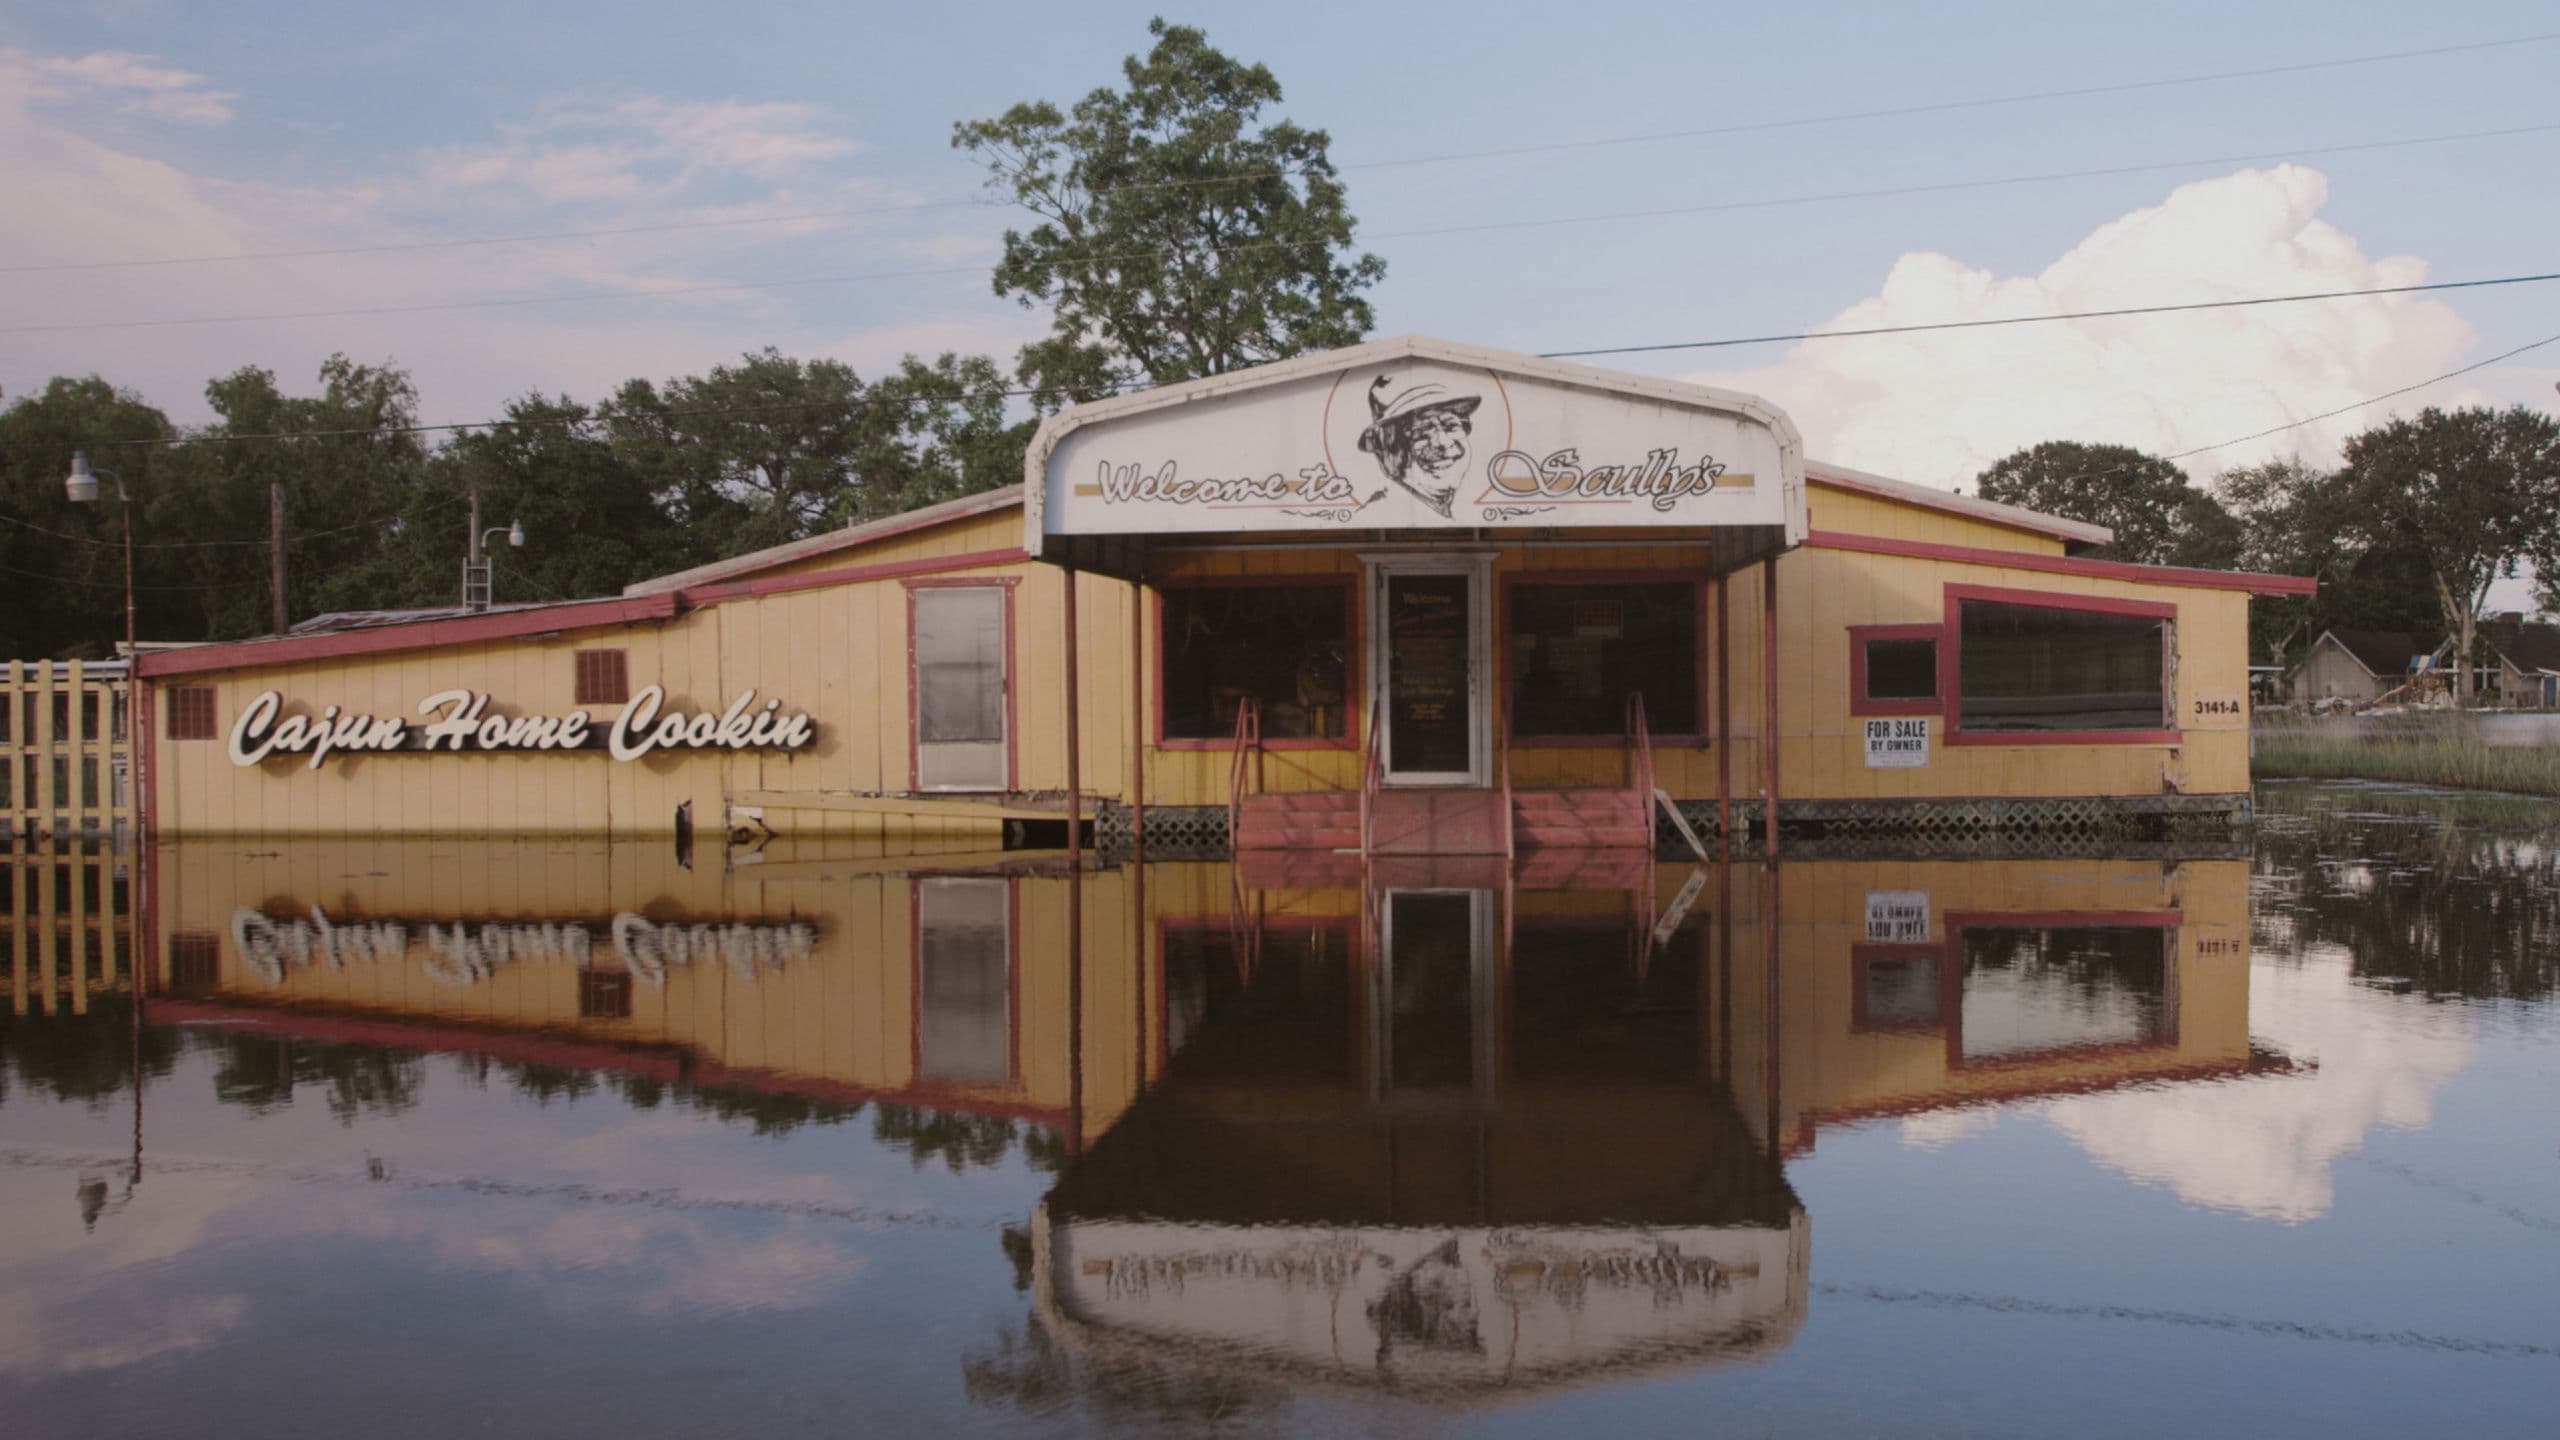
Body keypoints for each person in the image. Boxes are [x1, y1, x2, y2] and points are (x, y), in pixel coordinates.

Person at [1356, 375, 1481, 519]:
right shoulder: (1378, 516)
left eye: (1451, 426)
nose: (1444, 442)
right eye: (1421, 432)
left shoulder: (1446, 515)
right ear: (1389, 449)